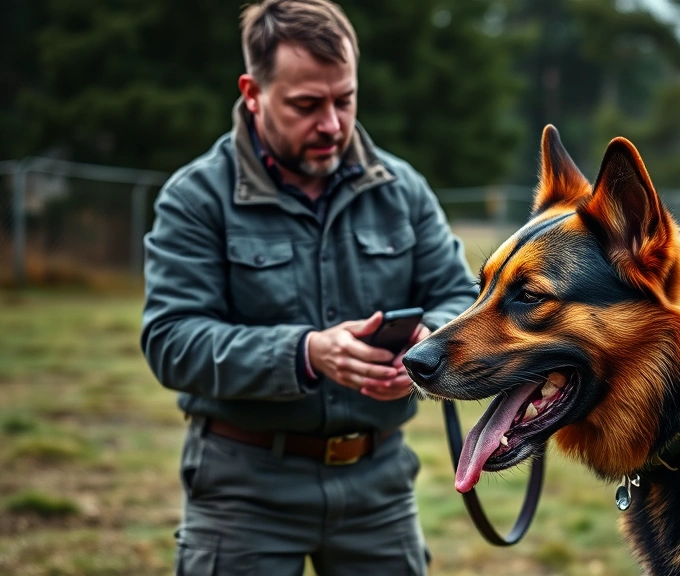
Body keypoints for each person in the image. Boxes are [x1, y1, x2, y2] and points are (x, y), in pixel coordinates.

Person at [140, 1, 478, 573]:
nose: (332, 124)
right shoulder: (196, 197)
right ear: (252, 92)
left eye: (344, 99)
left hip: (379, 485)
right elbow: (173, 341)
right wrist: (306, 353)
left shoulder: (404, 189)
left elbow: (462, 295)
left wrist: (427, 343)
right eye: (306, 105)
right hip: (243, 486)